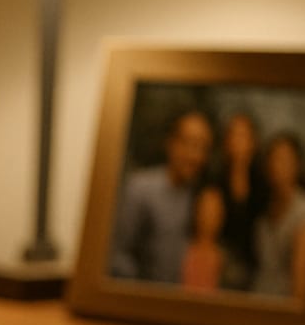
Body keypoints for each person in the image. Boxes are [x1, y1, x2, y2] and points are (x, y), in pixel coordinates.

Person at [107, 109, 214, 284]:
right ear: (171, 143)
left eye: (203, 147)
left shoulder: (198, 195)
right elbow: (118, 254)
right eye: (189, 143)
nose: (195, 155)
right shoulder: (140, 188)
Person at [251, 131, 305, 299]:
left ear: (297, 164)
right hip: (257, 297)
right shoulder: (263, 205)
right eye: (273, 159)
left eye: (284, 160)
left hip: (284, 304)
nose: (277, 166)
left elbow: (301, 271)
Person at [215, 112, 264, 291]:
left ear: (253, 142)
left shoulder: (262, 182)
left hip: (255, 270)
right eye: (233, 134)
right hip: (220, 268)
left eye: (243, 135)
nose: (237, 141)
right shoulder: (216, 179)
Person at [180, 184, 226, 291]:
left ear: (221, 216)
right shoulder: (179, 251)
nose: (207, 216)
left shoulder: (227, 261)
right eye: (204, 209)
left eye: (213, 212)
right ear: (196, 211)